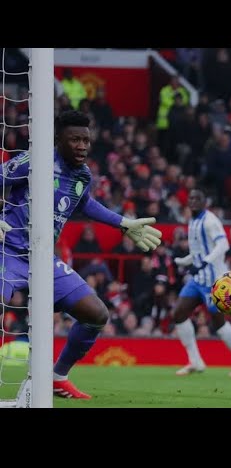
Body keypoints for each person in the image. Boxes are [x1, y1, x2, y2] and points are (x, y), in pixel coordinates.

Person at [0, 110, 162, 399]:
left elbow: (84, 203)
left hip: (41, 256)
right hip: (7, 251)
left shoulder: (83, 175)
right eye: (74, 139)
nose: (82, 146)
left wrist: (122, 223)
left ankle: (57, 377)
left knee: (96, 313)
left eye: (86, 140)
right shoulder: (34, 162)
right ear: (58, 139)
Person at [173, 189, 231, 377]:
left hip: (215, 281)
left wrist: (204, 262)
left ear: (204, 202)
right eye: (190, 198)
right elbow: (199, 250)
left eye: (197, 198)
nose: (193, 201)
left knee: (218, 323)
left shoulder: (210, 221)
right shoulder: (193, 220)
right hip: (198, 279)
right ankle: (195, 361)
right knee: (178, 313)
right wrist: (185, 260)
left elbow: (223, 245)